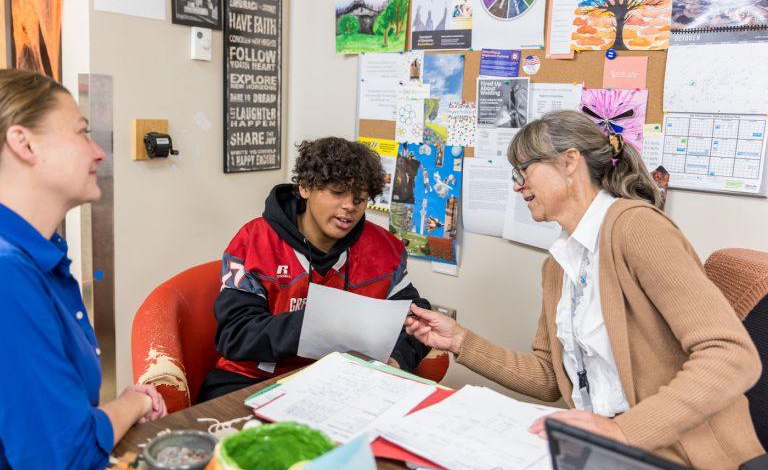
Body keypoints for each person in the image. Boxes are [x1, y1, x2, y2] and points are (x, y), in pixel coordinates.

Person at [405, 110, 765, 470]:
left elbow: (731, 354)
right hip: (606, 453)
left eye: (523, 170)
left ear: (569, 162)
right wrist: (460, 341)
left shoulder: (636, 228)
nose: (517, 186)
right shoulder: (559, 265)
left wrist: (622, 432)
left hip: (681, 456)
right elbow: (550, 377)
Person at [0, 69, 167, 468]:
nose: (99, 152)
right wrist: (133, 401)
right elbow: (66, 458)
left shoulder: (38, 259)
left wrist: (129, 402)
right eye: (81, 132)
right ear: (23, 143)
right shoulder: (9, 277)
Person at [198, 137, 431, 401]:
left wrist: (396, 361)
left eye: (360, 198)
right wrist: (319, 323)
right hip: (253, 381)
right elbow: (235, 335)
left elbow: (418, 320)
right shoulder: (254, 242)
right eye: (337, 191)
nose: (349, 207)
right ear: (305, 187)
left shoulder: (384, 249)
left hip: (341, 385)